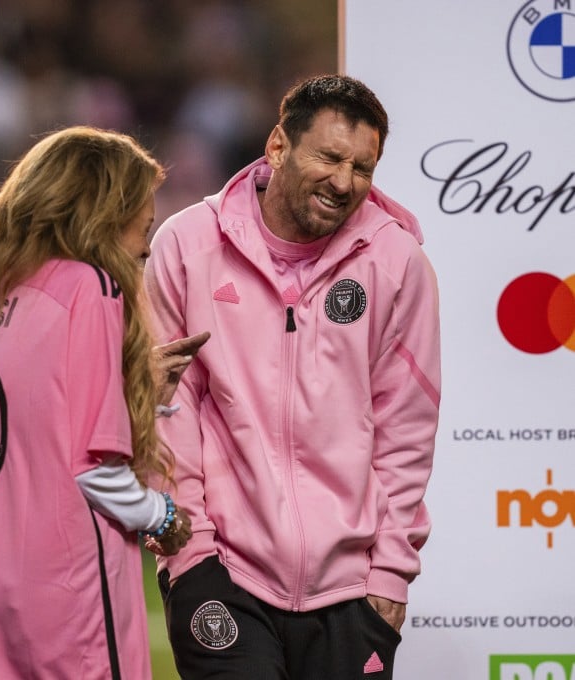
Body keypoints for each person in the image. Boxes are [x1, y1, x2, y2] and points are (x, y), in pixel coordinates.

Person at [144, 74, 441, 679]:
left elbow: (406, 427)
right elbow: (164, 408)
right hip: (221, 571)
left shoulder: (397, 261)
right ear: (278, 147)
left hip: (352, 589)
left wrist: (388, 571)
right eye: (329, 156)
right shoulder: (186, 245)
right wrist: (191, 550)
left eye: (363, 167)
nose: (344, 181)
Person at [0, 126, 198, 679]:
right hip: (63, 582)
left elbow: (46, 435)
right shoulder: (91, 288)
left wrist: (139, 393)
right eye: (142, 227)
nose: (146, 247)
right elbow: (94, 472)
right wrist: (165, 517)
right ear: (102, 214)